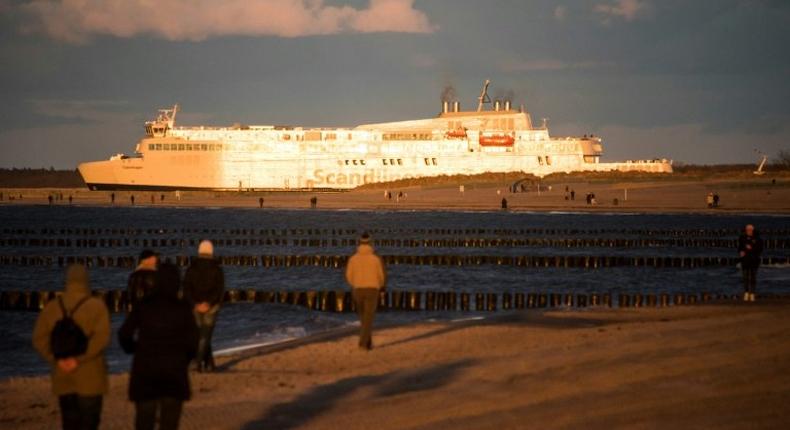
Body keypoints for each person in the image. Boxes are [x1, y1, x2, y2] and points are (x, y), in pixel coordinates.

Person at [119, 262, 199, 430]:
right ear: (177, 282)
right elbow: (193, 341)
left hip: (146, 374)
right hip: (174, 374)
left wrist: (134, 349)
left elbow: (124, 334)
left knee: (144, 422)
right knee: (169, 424)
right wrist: (184, 359)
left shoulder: (144, 305)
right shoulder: (182, 308)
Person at [32, 264, 111, 430]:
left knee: (69, 423)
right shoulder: (96, 306)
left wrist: (56, 359)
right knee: (90, 423)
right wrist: (79, 359)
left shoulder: (52, 307)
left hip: (63, 378)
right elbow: (102, 339)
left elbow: (39, 339)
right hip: (91, 378)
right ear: (86, 281)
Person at [183, 240, 225, 372]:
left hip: (195, 306)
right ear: (211, 251)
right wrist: (209, 303)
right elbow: (220, 290)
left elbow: (186, 289)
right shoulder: (217, 269)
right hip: (211, 307)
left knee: (200, 335)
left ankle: (207, 364)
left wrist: (194, 303)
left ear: (199, 251)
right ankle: (199, 362)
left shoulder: (191, 268)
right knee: (205, 335)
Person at [345, 232, 387, 350]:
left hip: (358, 289)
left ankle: (367, 343)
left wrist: (354, 284)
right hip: (372, 289)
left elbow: (348, 275)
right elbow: (381, 276)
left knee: (363, 317)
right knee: (368, 317)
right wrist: (381, 287)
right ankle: (363, 343)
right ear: (370, 244)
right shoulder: (376, 259)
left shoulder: (353, 259)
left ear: (359, 244)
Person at [738, 224, 763, 302]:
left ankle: (752, 294)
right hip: (745, 260)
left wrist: (751, 248)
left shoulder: (758, 239)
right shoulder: (742, 238)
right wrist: (740, 252)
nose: (748, 231)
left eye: (750, 230)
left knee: (753, 278)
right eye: (747, 230)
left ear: (753, 230)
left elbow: (760, 250)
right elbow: (739, 248)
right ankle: (746, 293)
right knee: (745, 277)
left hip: (754, 260)